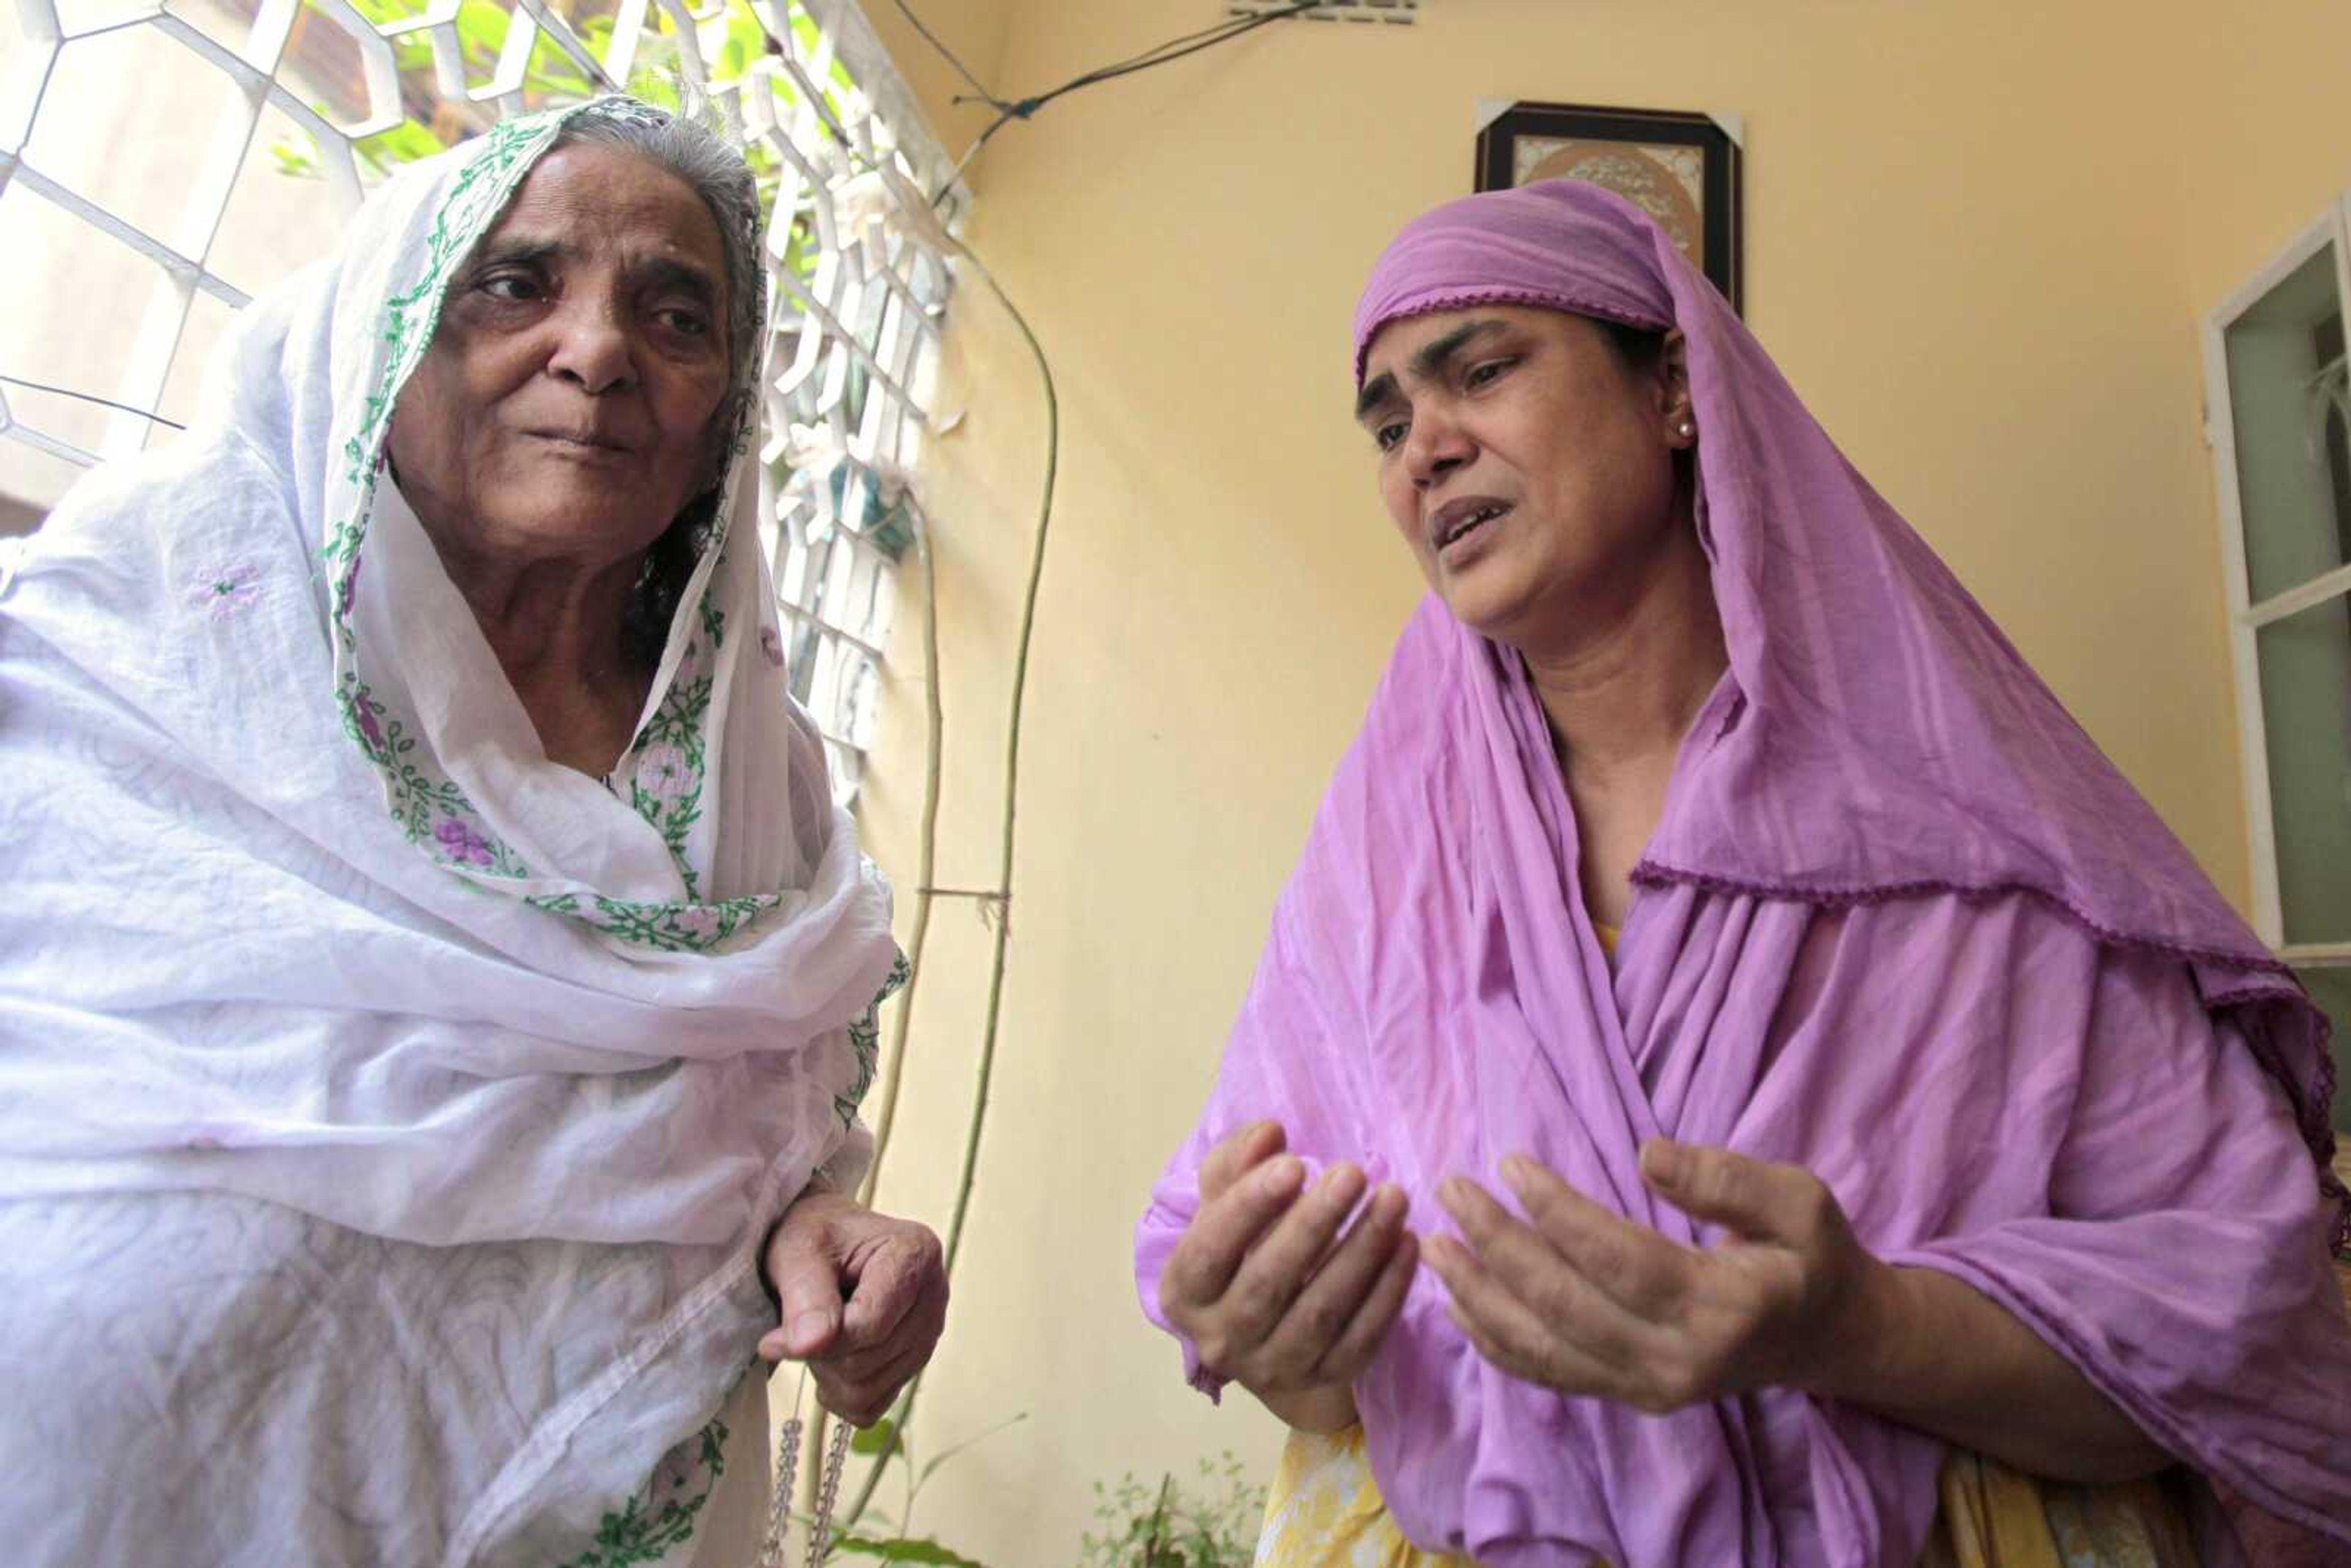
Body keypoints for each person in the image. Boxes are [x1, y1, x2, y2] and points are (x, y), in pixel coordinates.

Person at [1136, 180, 2351, 1567]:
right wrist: (1287, 1344)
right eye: (1390, 423)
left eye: (1482, 369)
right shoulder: (1387, 861)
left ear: (1675, 392)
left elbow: (2249, 1328)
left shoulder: (1958, 832)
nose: (1426, 450)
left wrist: (1863, 1330)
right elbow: (1318, 1357)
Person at [0, 97, 945, 1567]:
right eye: (515, 284)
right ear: (384, 330)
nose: (597, 349)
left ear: (722, 432)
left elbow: (739, 1142)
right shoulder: (126, 655)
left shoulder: (754, 786)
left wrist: (812, 1229)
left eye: (676, 316)